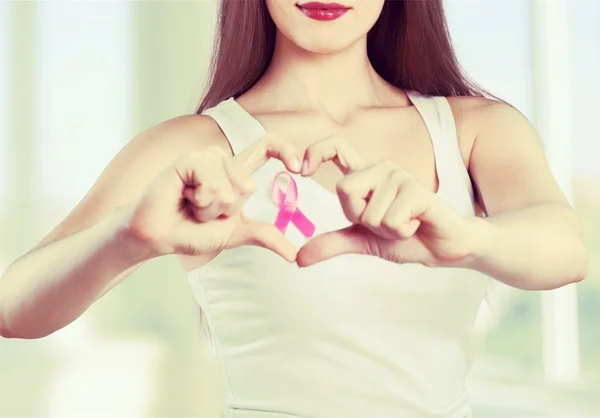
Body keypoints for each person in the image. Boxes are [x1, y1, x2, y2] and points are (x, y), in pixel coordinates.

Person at [0, 0, 588, 417]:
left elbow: (565, 248)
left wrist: (467, 238)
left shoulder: (475, 129)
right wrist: (129, 238)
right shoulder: (192, 146)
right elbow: (13, 308)